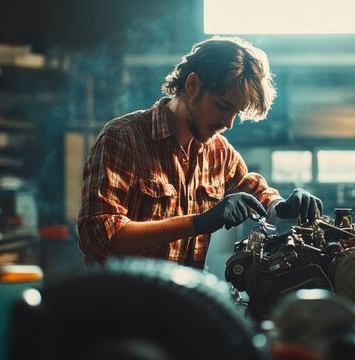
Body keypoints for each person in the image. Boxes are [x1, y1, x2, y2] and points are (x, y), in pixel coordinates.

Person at [77, 36, 323, 268]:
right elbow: (101, 236)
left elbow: (254, 190)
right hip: (121, 307)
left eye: (235, 112)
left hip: (185, 305)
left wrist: (282, 207)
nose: (228, 124)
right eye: (222, 106)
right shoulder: (124, 137)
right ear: (192, 84)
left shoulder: (219, 152)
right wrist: (197, 222)